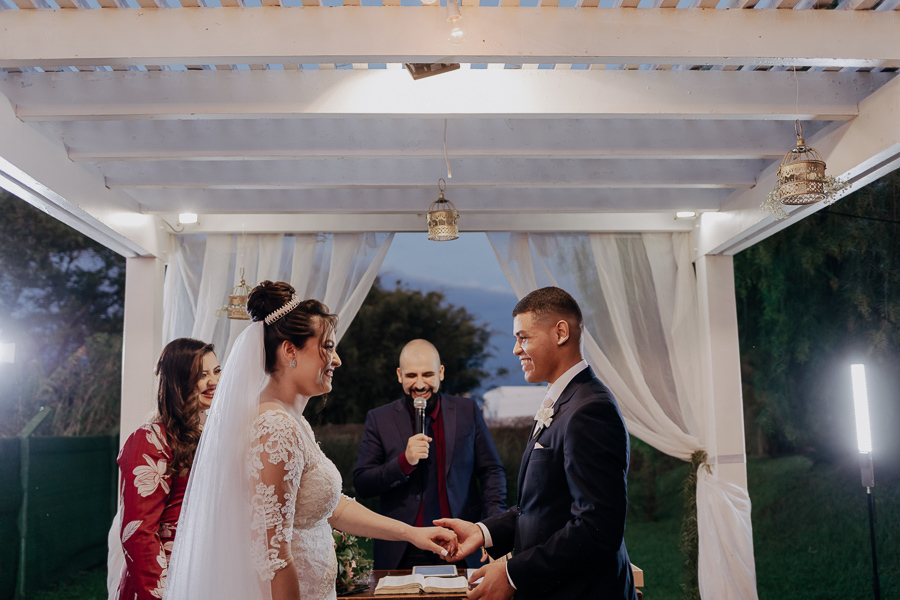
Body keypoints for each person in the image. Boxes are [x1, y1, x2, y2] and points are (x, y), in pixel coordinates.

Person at [164, 281, 457, 600]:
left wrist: (412, 533)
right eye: (328, 346)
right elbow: (274, 556)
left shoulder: (293, 421)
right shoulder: (275, 427)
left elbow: (331, 507)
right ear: (290, 350)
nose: (337, 359)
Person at [436, 287, 638, 600]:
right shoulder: (564, 402)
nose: (516, 349)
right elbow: (543, 508)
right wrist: (482, 531)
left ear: (560, 333)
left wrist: (512, 574)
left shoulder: (590, 410)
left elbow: (597, 529)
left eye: (524, 338)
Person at [353, 339, 507, 570]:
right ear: (399, 375)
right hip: (402, 550)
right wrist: (404, 462)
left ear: (441, 373)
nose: (419, 384)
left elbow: (492, 471)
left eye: (427, 374)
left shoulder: (467, 411)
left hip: (462, 544)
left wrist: (492, 529)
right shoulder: (379, 419)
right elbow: (363, 484)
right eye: (411, 375)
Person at [109, 338, 220, 600]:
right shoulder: (149, 440)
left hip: (208, 572)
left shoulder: (214, 434)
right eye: (202, 375)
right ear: (178, 381)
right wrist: (161, 595)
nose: (213, 381)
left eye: (217, 371)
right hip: (168, 579)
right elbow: (138, 532)